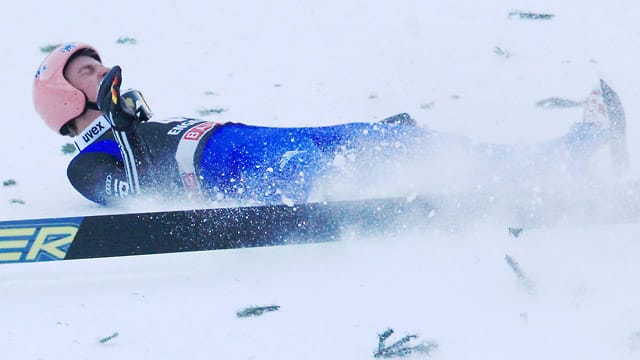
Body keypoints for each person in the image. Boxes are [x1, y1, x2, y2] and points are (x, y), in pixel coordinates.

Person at [32, 42, 627, 208]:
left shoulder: (143, 125)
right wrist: (117, 123)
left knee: (396, 138)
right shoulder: (88, 162)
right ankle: (346, 197)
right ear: (65, 97)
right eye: (89, 69)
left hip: (262, 140)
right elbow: (138, 199)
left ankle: (568, 156)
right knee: (311, 169)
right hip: (243, 168)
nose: (107, 69)